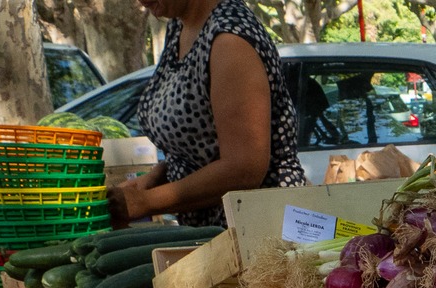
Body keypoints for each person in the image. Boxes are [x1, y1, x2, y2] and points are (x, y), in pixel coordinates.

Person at [111, 0, 306, 227]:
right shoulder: (179, 27)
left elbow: (243, 169)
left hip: (255, 229)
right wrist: (158, 176)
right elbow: (201, 147)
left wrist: (146, 201)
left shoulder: (230, 38)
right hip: (207, 230)